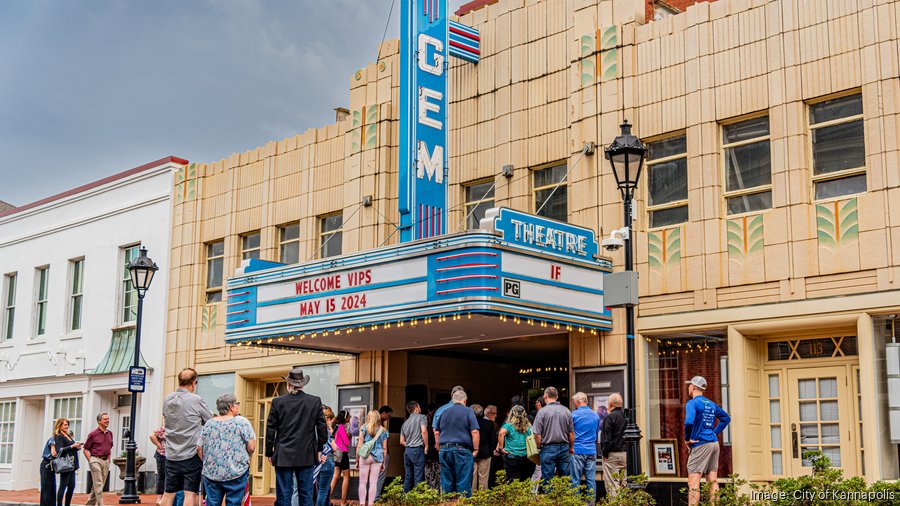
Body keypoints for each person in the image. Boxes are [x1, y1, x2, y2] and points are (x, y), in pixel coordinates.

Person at [266, 367, 327, 506]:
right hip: (306, 453)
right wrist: (319, 449)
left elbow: (270, 429)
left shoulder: (278, 402)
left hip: (283, 454)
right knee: (306, 494)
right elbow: (322, 427)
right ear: (302, 384)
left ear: (288, 384)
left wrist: (270, 451)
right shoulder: (315, 401)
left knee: (284, 495)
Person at [161, 368, 214, 506]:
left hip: (171, 454)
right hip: (190, 454)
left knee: (169, 493)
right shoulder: (195, 399)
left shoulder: (167, 399)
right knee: (190, 493)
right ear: (193, 383)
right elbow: (209, 420)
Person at [198, 394, 256, 506]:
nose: (238, 406)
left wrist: (206, 462)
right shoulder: (241, 422)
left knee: (212, 503)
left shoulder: (209, 423)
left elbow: (199, 448)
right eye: (237, 404)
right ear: (231, 407)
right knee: (234, 503)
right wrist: (248, 458)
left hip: (212, 472)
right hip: (236, 471)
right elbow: (251, 447)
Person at [684, 376, 730, 506]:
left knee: (693, 481)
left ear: (693, 387)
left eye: (689, 386)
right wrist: (713, 433)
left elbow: (688, 422)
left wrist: (687, 439)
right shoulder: (710, 403)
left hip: (700, 444)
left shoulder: (692, 403)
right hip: (714, 443)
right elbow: (726, 418)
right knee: (712, 480)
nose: (688, 388)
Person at [435, 389, 479, 498]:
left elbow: (436, 432)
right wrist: (476, 449)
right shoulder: (468, 411)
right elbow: (474, 431)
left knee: (447, 482)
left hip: (445, 450)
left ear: (453, 400)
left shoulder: (444, 412)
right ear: (465, 400)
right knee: (463, 482)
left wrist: (439, 447)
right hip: (462, 450)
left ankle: (448, 503)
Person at [532, 386, 574, 489]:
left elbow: (537, 434)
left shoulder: (541, 412)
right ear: (557, 396)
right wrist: (571, 447)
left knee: (548, 480)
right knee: (565, 479)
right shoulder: (566, 411)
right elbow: (571, 433)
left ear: (545, 396)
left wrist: (539, 446)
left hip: (547, 448)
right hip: (564, 447)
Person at [571, 392, 601, 502]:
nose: (574, 404)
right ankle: (591, 503)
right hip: (591, 450)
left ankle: (575, 502)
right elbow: (597, 432)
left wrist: (570, 447)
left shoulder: (573, 415)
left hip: (577, 449)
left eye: (575, 402)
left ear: (578, 402)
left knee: (575, 480)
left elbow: (571, 434)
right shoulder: (596, 416)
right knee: (590, 480)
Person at [356, 411, 389, 506]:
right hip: (377, 458)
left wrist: (357, 459)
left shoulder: (363, 428)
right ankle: (370, 504)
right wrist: (383, 462)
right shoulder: (384, 431)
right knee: (373, 482)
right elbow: (385, 448)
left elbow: (359, 445)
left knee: (362, 482)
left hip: (365, 457)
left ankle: (362, 504)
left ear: (368, 417)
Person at [496, 405, 535, 482]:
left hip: (512, 456)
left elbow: (501, 434)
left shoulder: (508, 426)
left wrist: (501, 448)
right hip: (526, 457)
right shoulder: (529, 426)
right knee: (525, 480)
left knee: (512, 481)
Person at [599, 393, 626, 498]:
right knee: (625, 483)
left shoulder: (609, 418)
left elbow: (606, 439)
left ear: (610, 404)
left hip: (612, 454)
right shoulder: (626, 417)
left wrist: (604, 453)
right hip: (625, 454)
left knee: (612, 484)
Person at [83, 412, 113, 506]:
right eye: (105, 419)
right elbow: (85, 449)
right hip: (95, 459)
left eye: (108, 419)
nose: (107, 421)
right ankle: (101, 504)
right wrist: (91, 460)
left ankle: (89, 505)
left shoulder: (110, 433)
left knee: (97, 485)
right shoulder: (93, 434)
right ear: (99, 421)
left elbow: (110, 447)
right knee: (98, 484)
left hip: (106, 461)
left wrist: (109, 458)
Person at [50, 418, 82, 506]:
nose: (67, 426)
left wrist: (77, 447)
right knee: (63, 486)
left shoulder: (67, 435)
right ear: (59, 426)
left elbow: (70, 448)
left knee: (71, 486)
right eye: (65, 425)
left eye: (67, 424)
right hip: (66, 464)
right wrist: (72, 446)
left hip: (72, 463)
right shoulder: (59, 436)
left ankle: (67, 504)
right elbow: (60, 450)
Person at [399, 401, 427, 492]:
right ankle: (418, 499)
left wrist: (409, 444)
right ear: (416, 408)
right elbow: (423, 431)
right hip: (417, 450)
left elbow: (401, 441)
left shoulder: (405, 423)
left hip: (407, 452)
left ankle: (406, 497)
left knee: (408, 476)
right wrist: (426, 445)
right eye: (419, 407)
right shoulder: (422, 417)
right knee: (418, 476)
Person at [313, 407, 337, 506]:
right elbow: (335, 448)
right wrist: (332, 433)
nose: (332, 422)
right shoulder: (327, 431)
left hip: (317, 461)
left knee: (323, 489)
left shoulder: (315, 429)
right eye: (332, 420)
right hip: (328, 461)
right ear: (328, 419)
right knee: (323, 491)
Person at [470, 404, 496, 492]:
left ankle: (472, 499)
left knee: (472, 478)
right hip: (485, 454)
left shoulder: (468, 423)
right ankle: (482, 499)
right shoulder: (489, 423)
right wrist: (491, 451)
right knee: (483, 479)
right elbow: (493, 440)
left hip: (471, 454)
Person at [329, 410, 352, 506]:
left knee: (336, 476)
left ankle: (327, 499)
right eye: (349, 416)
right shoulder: (341, 427)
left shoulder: (335, 426)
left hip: (336, 454)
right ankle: (343, 502)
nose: (350, 418)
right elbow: (346, 442)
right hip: (343, 453)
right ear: (345, 418)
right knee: (346, 477)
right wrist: (349, 436)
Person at [374, 405, 393, 501]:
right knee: (381, 476)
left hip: (373, 454)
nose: (388, 418)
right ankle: (376, 497)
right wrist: (387, 454)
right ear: (383, 413)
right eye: (388, 415)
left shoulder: (372, 424)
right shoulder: (381, 426)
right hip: (381, 453)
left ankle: (373, 496)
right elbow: (384, 444)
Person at [483, 405, 502, 488]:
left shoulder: (493, 423)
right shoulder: (490, 424)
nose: (496, 415)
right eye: (494, 413)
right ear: (488, 413)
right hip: (488, 453)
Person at [423, 406, 441, 490]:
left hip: (427, 452)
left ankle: (429, 490)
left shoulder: (426, 428)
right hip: (435, 452)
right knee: (437, 473)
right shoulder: (437, 429)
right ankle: (435, 490)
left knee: (429, 472)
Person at [150, 426, 167, 505]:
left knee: (166, 476)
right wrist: (159, 446)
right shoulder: (163, 428)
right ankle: (159, 497)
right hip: (162, 455)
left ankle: (164, 497)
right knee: (162, 476)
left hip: (169, 456)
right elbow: (152, 436)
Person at [40, 434, 57, 506]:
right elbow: (54, 453)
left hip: (51, 465)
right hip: (46, 465)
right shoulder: (53, 439)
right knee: (46, 489)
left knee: (52, 488)